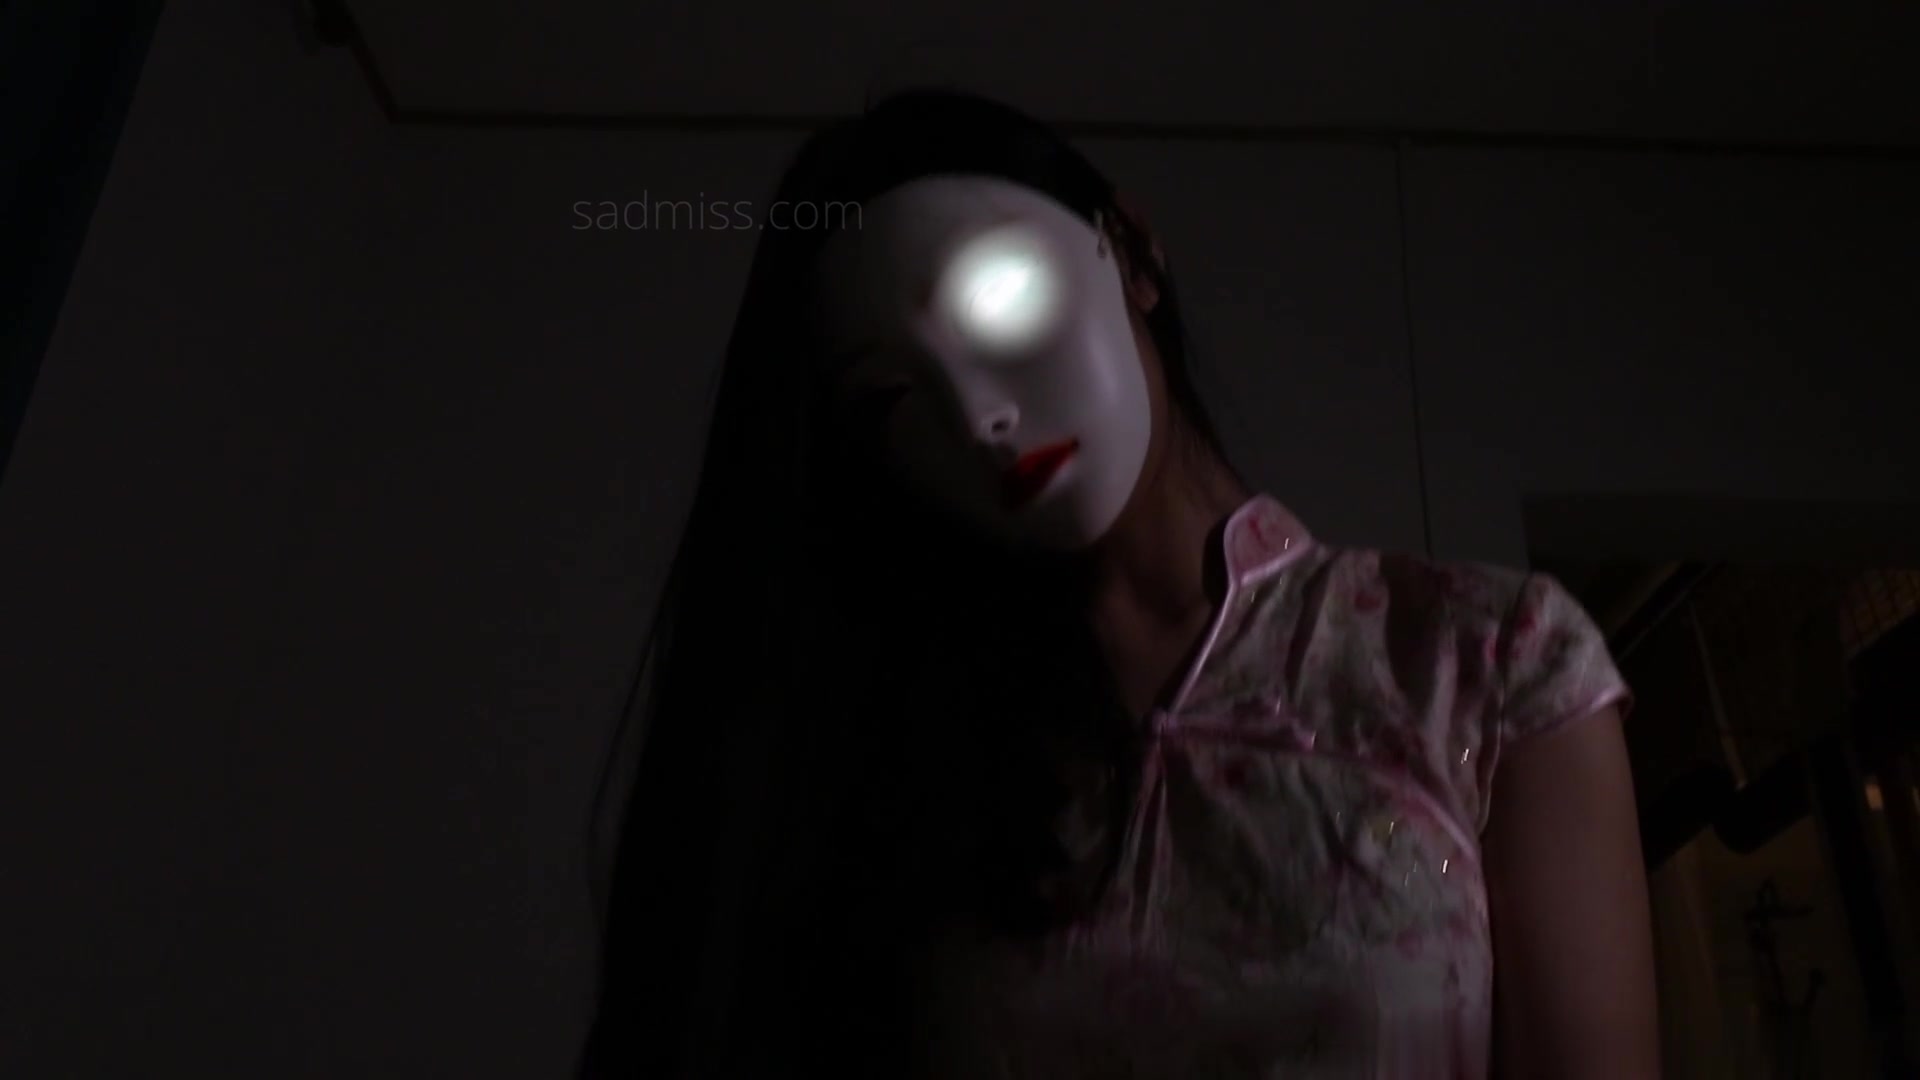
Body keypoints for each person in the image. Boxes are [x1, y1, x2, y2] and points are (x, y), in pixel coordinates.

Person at [580, 88, 1660, 1079]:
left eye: (1000, 297)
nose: (978, 413)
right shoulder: (902, 759)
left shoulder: (1483, 659)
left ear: (1133, 252)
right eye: (892, 399)